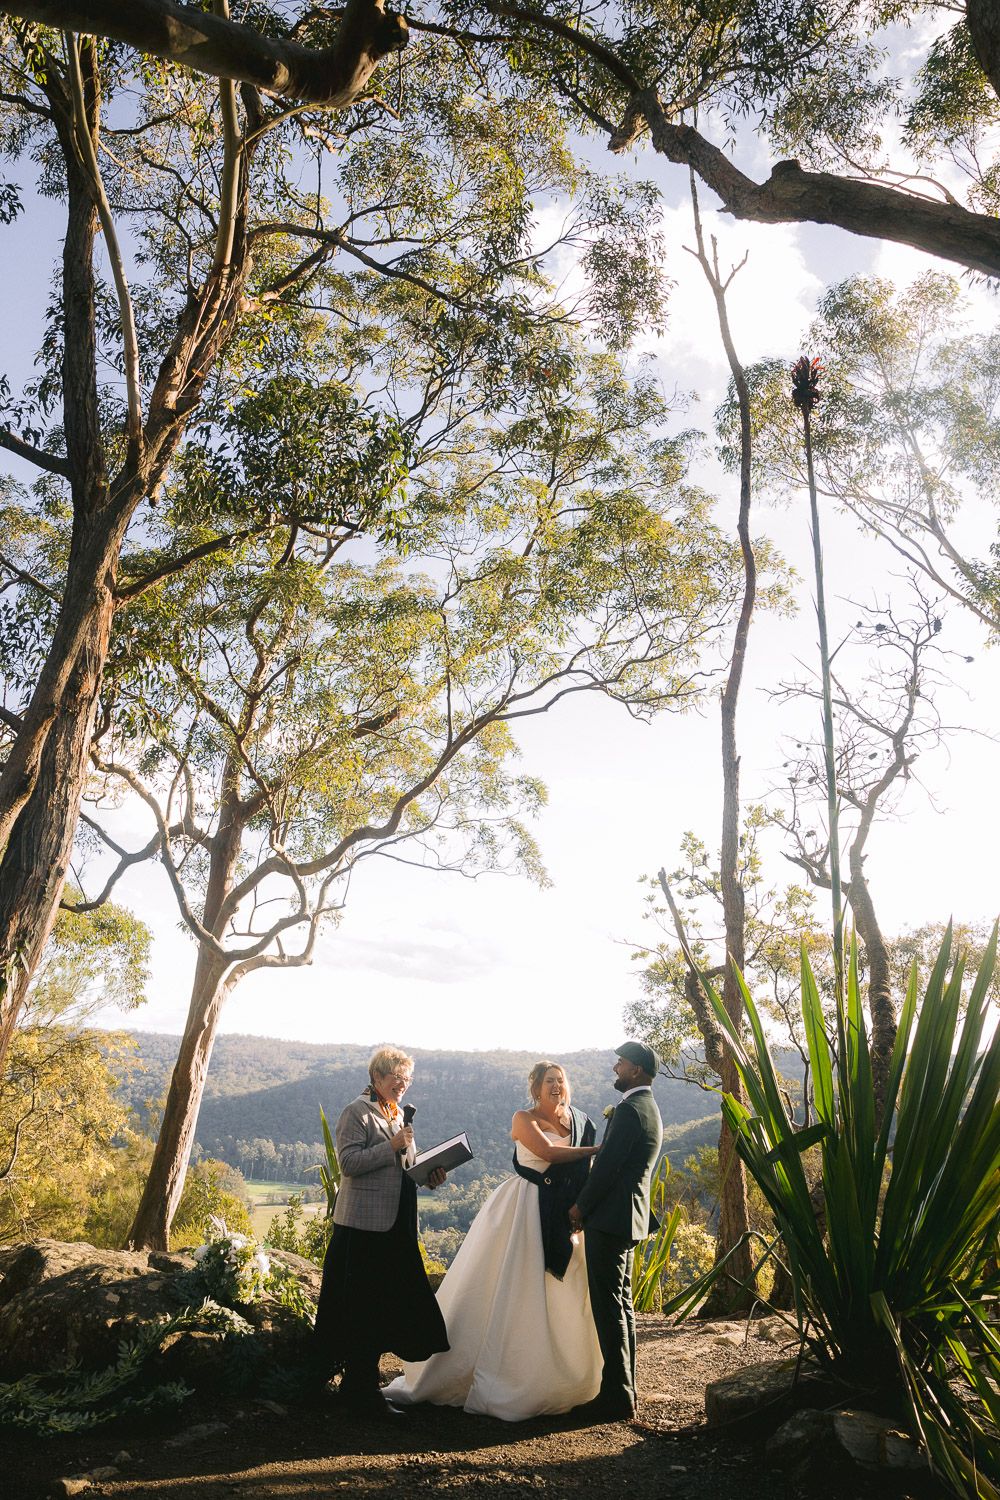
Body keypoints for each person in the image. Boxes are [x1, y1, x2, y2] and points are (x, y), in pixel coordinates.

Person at [385, 1061, 602, 1420]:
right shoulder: (524, 1118)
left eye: (561, 1081)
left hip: (564, 1214)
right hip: (523, 1209)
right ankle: (500, 1375)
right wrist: (597, 1151)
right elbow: (548, 1154)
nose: (556, 1087)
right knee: (511, 1286)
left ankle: (563, 1377)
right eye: (549, 1081)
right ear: (535, 1088)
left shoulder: (580, 1122)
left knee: (562, 1295)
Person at [312, 1045, 449, 1419]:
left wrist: (430, 1175)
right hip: (362, 1228)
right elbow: (349, 1164)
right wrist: (390, 1145)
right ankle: (359, 1390)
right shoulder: (356, 1112)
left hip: (395, 1226)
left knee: (383, 1305)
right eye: (396, 1079)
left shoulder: (399, 1114)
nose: (403, 1085)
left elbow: (407, 1167)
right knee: (360, 1308)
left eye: (407, 1080)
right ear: (377, 1077)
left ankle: (362, 1388)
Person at [568, 1041, 663, 1422]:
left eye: (621, 1064)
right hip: (629, 1218)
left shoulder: (629, 1110)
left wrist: (579, 1207)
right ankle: (624, 1390)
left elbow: (607, 1167)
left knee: (609, 1308)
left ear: (636, 1071)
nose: (615, 1069)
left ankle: (616, 1397)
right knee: (621, 1306)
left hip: (609, 1219)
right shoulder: (649, 1108)